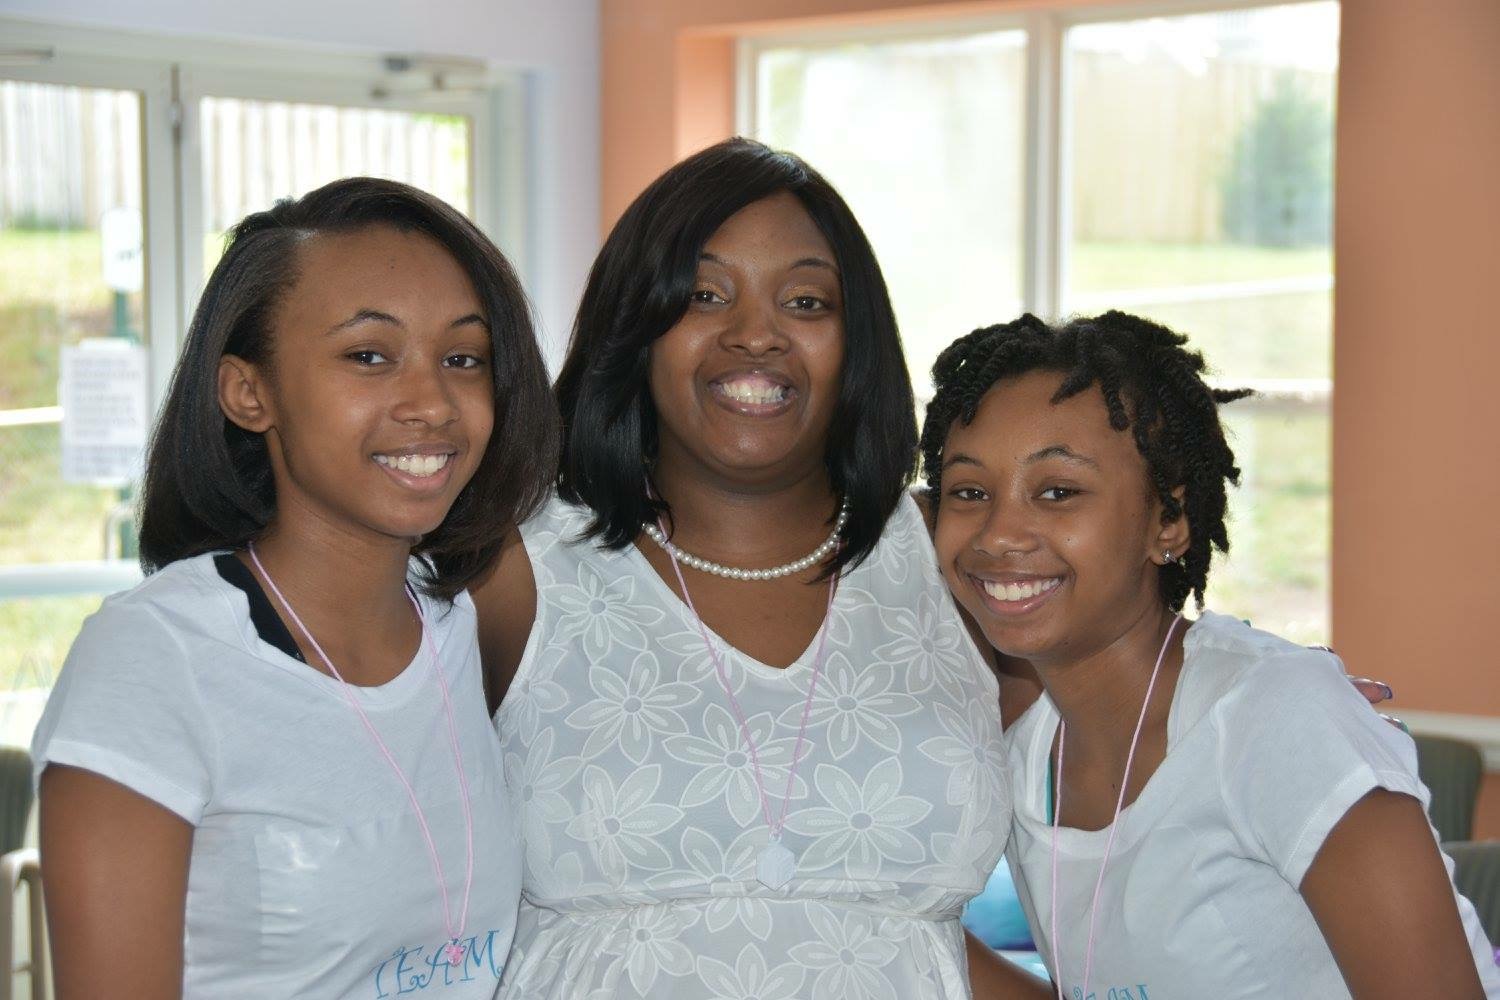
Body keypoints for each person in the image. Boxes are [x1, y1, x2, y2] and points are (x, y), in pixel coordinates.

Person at [473, 138, 1048, 998]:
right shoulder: (514, 568)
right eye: (704, 295)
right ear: (636, 326)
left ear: (857, 341)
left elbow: (914, 936)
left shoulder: (955, 557)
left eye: (806, 300)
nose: (755, 334)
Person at [33, 177, 559, 999]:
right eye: (369, 356)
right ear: (250, 392)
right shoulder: (155, 659)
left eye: (464, 359)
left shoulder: (464, 627)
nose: (431, 401)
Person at [922, 311, 1500, 998]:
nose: (1000, 533)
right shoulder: (1029, 752)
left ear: (1168, 521)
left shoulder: (1275, 718)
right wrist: (877, 925)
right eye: (969, 492)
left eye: (1058, 492)